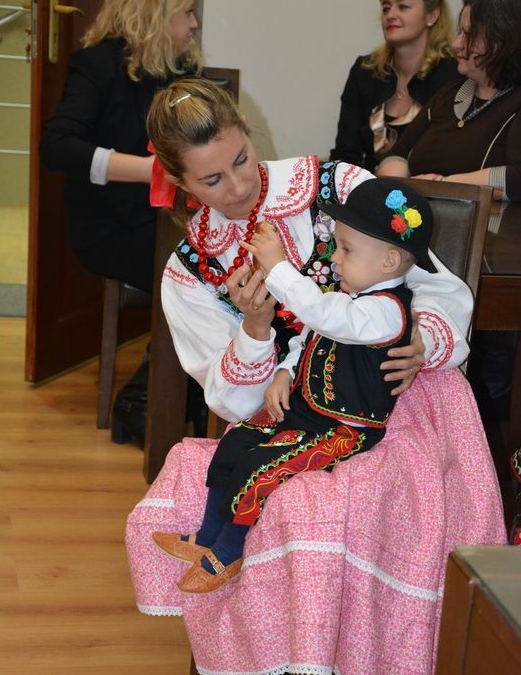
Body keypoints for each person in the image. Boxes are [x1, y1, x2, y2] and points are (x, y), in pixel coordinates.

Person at [126, 78, 506, 674]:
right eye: (212, 180)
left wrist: (422, 341)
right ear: (179, 182)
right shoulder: (192, 271)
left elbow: (438, 288)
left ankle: (367, 654)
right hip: (291, 411)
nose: (239, 186)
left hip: (400, 402)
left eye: (241, 159)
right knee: (270, 485)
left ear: (248, 133)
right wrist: (255, 331)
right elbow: (231, 402)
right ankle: (293, 653)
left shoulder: (336, 188)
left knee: (330, 504)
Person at [152, 178, 436, 594]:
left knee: (260, 465)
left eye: (346, 249)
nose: (334, 257)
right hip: (306, 410)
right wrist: (286, 371)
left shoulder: (386, 313)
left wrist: (278, 267)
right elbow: (309, 336)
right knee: (237, 441)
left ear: (389, 260)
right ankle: (207, 535)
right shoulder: (350, 295)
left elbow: (324, 317)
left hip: (342, 428)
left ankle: (229, 552)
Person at [39, 0, 207, 446]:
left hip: (164, 222)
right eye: (186, 12)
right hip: (108, 225)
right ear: (155, 14)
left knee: (213, 263)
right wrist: (150, 171)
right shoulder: (96, 65)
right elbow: (57, 146)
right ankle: (147, 401)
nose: (194, 23)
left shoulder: (181, 71)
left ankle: (176, 399)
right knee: (196, 273)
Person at [377, 0, 521, 202]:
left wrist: (440, 184)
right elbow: (397, 155)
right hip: (412, 213)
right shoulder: (450, 93)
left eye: (468, 34)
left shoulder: (515, 102)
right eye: (460, 32)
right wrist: (391, 191)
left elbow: (516, 179)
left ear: (502, 41)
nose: (456, 44)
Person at [330, 0, 458, 172]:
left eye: (403, 6)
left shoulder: (453, 73)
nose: (390, 15)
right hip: (370, 186)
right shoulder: (365, 71)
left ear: (432, 15)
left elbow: (454, 155)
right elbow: (345, 154)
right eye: (386, 8)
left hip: (430, 187)